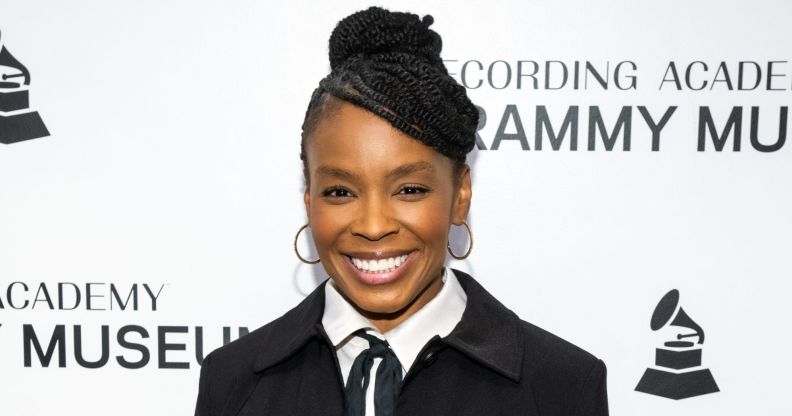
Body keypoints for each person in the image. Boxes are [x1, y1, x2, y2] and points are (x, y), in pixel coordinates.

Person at [194, 6, 608, 416]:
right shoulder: (231, 381)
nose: (374, 226)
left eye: (409, 190)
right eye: (339, 191)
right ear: (310, 200)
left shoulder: (561, 388)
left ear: (460, 196)